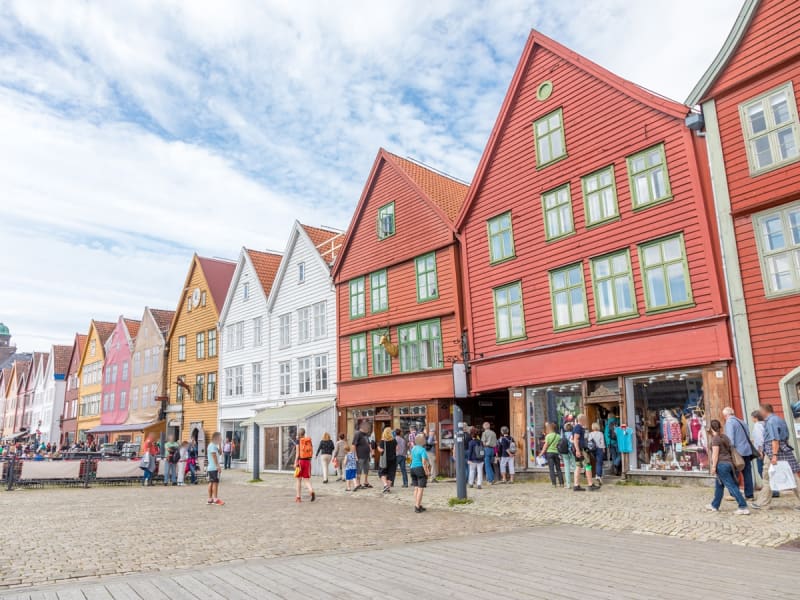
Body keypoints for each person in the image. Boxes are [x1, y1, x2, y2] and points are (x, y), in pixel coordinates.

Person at [752, 404, 800, 510]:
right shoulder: (779, 419)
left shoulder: (771, 421)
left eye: (760, 410)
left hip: (773, 452)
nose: (759, 412)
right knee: (793, 476)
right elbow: (785, 437)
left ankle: (763, 503)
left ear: (765, 410)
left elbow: (775, 439)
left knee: (767, 477)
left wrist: (774, 455)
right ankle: (762, 502)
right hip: (784, 450)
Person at [706, 420, 749, 514]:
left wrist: (713, 467)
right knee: (719, 485)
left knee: (731, 486)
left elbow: (715, 455)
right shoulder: (725, 437)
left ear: (711, 428)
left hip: (721, 465)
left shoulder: (715, 439)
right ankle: (714, 505)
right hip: (729, 463)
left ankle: (743, 506)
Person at [722, 406, 755, 500]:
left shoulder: (729, 422)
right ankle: (749, 495)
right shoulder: (741, 421)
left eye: (724, 416)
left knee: (733, 473)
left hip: (737, 452)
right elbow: (748, 434)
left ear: (726, 415)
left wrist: (727, 451)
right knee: (747, 473)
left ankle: (734, 494)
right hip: (746, 450)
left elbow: (730, 440)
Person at [572, 414, 598, 491]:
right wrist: (577, 450)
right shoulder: (578, 427)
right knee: (588, 465)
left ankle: (576, 485)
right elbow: (575, 439)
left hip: (579, 449)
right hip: (581, 450)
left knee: (578, 466)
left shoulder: (579, 427)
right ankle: (590, 484)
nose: (586, 421)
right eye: (585, 420)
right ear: (582, 420)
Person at [410, 433, 430, 513]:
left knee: (416, 488)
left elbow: (412, 458)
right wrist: (427, 471)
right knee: (421, 489)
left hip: (412, 468)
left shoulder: (413, 448)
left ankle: (417, 504)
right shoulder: (423, 450)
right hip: (419, 469)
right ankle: (417, 507)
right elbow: (424, 462)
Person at [539, 422, 564, 488]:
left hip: (549, 453)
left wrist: (541, 453)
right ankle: (561, 483)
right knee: (558, 468)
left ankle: (554, 484)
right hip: (556, 453)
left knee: (551, 469)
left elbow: (545, 446)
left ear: (549, 429)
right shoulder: (558, 436)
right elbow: (560, 444)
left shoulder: (548, 436)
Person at [294, 428, 315, 503]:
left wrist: (295, 462)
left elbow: (297, 453)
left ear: (298, 434)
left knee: (299, 480)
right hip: (308, 461)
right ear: (304, 433)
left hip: (300, 461)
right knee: (306, 479)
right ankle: (311, 490)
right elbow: (311, 451)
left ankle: (298, 497)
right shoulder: (308, 441)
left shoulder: (298, 441)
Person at [352, 422, 373, 491]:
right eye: (367, 427)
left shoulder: (366, 435)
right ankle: (358, 483)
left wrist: (371, 451)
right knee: (359, 469)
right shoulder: (357, 434)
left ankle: (366, 482)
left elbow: (369, 443)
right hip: (360, 455)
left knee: (366, 469)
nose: (368, 429)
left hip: (366, 455)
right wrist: (355, 455)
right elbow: (353, 445)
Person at [377, 427, 397, 493]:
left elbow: (381, 450)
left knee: (382, 472)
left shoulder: (382, 441)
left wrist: (378, 447)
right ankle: (388, 488)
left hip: (385, 459)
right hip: (393, 459)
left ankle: (385, 485)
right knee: (391, 473)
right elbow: (397, 449)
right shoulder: (394, 440)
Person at [207, 432, 224, 506]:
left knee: (211, 483)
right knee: (215, 483)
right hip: (213, 467)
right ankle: (215, 499)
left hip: (211, 467)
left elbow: (220, 453)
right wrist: (218, 466)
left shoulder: (213, 446)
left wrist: (220, 444)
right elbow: (214, 456)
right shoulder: (212, 446)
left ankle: (210, 499)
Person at [561, 423, 576, 489]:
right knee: (575, 467)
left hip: (564, 451)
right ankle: (576, 483)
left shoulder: (563, 435)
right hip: (572, 451)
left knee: (567, 468)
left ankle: (568, 484)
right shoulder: (573, 434)